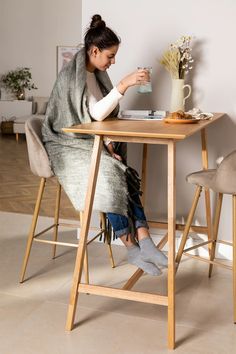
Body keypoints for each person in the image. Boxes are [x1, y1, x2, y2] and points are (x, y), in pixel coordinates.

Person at [42, 14, 168, 276]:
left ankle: (145, 241)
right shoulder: (72, 77)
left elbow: (93, 121)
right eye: (110, 56)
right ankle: (131, 245)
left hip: (89, 141)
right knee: (109, 174)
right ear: (94, 50)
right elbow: (95, 115)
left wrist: (107, 146)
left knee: (120, 171)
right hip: (65, 144)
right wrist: (124, 84)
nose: (113, 62)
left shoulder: (95, 75)